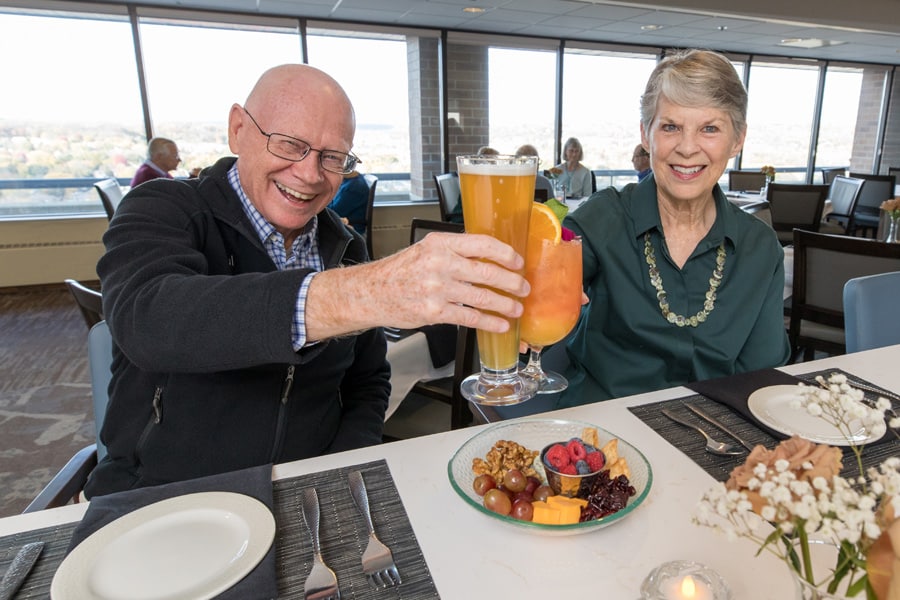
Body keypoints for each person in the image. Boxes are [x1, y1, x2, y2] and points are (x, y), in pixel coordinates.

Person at [85, 64, 530, 498]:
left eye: (332, 157)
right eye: (289, 144)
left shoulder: (346, 245)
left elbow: (369, 381)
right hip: (165, 497)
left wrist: (340, 472)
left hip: (308, 494)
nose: (310, 174)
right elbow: (148, 319)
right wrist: (365, 294)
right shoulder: (162, 207)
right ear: (238, 129)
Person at [557, 49, 791, 407]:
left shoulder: (760, 249)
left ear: (737, 140)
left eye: (709, 128)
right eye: (670, 127)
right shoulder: (602, 219)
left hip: (712, 429)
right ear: (645, 134)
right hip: (602, 426)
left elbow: (761, 380)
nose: (687, 148)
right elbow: (541, 277)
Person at [328, 169, 369, 235]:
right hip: (341, 222)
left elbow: (334, 213)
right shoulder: (349, 180)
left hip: (351, 227)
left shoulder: (353, 187)